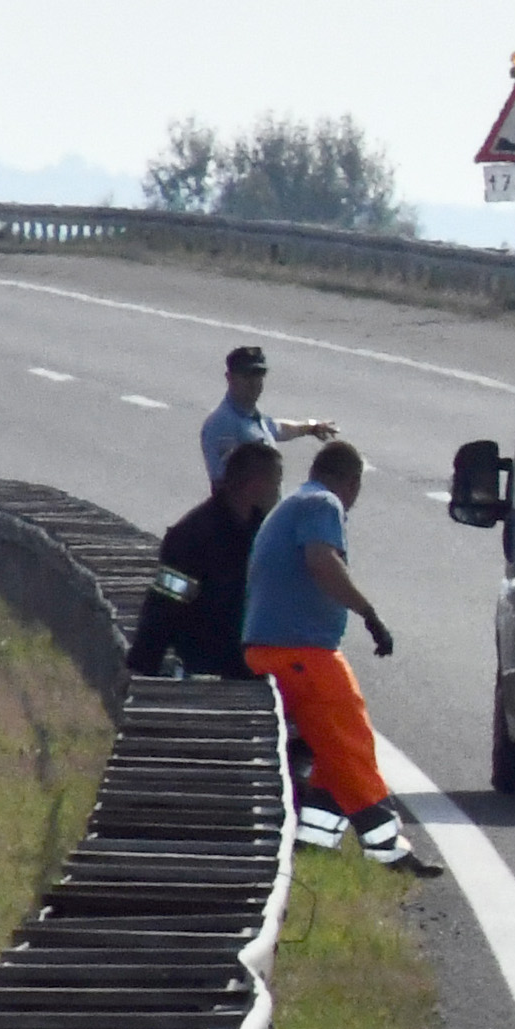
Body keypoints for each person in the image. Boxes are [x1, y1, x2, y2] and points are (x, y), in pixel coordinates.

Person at [240, 440, 442, 877]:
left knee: (330, 749)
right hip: (301, 653)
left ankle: (316, 840)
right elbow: (322, 560)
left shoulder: (293, 503)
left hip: (274, 649)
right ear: (351, 482)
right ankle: (388, 848)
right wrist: (368, 613)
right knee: (352, 741)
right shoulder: (322, 503)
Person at [130, 437, 281, 680]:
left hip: (254, 667)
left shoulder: (263, 532)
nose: (279, 493)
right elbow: (166, 601)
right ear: (254, 486)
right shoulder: (193, 536)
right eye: (276, 483)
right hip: (205, 672)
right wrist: (141, 666)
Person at [201, 343, 338, 489]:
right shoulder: (222, 423)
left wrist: (311, 427)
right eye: (247, 376)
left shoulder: (252, 418)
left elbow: (278, 428)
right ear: (230, 378)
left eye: (259, 375)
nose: (254, 383)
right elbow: (222, 485)